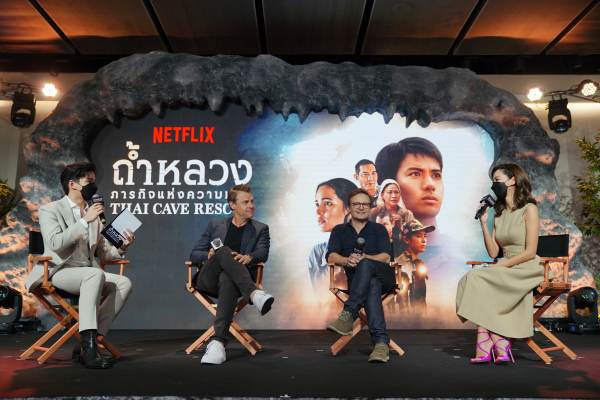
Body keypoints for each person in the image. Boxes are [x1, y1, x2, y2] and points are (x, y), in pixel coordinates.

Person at [25, 162, 135, 369]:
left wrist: (122, 246)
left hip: (87, 271)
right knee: (94, 275)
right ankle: (90, 350)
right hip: (58, 271)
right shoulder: (51, 209)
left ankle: (90, 343)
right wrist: (84, 221)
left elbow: (104, 252)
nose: (94, 186)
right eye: (89, 181)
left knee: (123, 283)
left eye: (94, 181)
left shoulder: (93, 213)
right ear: (73, 184)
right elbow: (55, 243)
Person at [456, 163, 543, 364]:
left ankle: (487, 344)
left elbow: (530, 252)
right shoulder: (499, 214)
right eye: (492, 181)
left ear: (512, 180)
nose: (494, 185)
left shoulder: (529, 209)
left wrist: (499, 266)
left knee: (477, 277)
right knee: (474, 277)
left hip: (525, 266)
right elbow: (494, 252)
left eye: (497, 180)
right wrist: (483, 223)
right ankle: (498, 342)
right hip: (505, 265)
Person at [190, 184, 274, 365]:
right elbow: (194, 254)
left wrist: (249, 257)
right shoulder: (215, 225)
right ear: (232, 205)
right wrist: (209, 255)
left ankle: (218, 343)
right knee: (223, 251)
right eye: (246, 202)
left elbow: (262, 253)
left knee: (227, 278)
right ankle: (254, 294)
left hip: (235, 284)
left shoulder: (261, 228)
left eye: (252, 201)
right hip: (208, 280)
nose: (251, 205)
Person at [326, 188, 395, 363]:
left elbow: (386, 257)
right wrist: (346, 260)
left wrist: (365, 258)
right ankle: (381, 344)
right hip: (359, 283)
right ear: (349, 207)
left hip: (385, 277)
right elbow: (331, 256)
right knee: (371, 284)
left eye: (365, 204)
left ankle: (349, 313)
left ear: (370, 207)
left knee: (368, 268)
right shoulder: (339, 230)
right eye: (356, 204)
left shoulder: (379, 229)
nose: (361, 207)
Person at [308, 178, 357, 286]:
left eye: (327, 203)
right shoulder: (317, 253)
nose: (318, 211)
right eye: (317, 204)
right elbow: (317, 294)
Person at [395, 220, 435, 308]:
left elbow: (421, 298)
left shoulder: (419, 263)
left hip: (419, 314)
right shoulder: (400, 264)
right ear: (406, 239)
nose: (424, 240)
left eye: (425, 236)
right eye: (418, 236)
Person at [371, 179, 414, 255]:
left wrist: (401, 226)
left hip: (401, 254)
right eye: (390, 192)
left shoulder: (407, 214)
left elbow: (413, 236)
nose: (394, 196)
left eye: (396, 192)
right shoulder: (374, 213)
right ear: (382, 195)